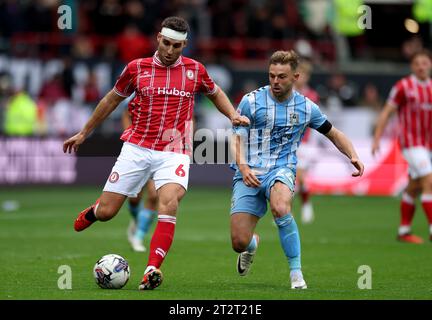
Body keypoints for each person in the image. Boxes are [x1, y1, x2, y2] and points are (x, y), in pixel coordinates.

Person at [63, 16, 250, 290]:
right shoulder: (136, 68)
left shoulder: (195, 70)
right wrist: (84, 132)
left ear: (184, 44)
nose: (171, 50)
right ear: (157, 39)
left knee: (169, 202)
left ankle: (152, 269)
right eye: (166, 43)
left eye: (177, 45)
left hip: (175, 150)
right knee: (107, 212)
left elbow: (215, 92)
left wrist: (233, 114)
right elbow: (111, 100)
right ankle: (94, 211)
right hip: (137, 147)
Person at [230, 50, 364, 289]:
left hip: (282, 169)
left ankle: (296, 273)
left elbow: (333, 133)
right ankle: (252, 244)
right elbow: (236, 138)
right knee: (238, 242)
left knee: (281, 207)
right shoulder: (251, 101)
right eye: (271, 75)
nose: (275, 81)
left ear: (295, 76)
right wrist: (243, 166)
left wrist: (352, 154)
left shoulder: (306, 107)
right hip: (249, 172)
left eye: (282, 76)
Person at [372, 50, 432, 244]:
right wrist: (377, 138)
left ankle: (404, 231)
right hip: (410, 143)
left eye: (425, 63)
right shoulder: (403, 87)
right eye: (417, 63)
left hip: (427, 145)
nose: (421, 66)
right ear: (412, 67)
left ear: (429, 65)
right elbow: (387, 112)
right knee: (429, 181)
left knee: (414, 186)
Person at [121, 108, 158, 253]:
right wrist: (131, 138)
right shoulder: (139, 89)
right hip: (139, 151)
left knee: (154, 195)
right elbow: (126, 113)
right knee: (134, 198)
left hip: (160, 151)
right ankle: (137, 219)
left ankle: (138, 236)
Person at [294, 60, 320, 223]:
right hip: (288, 142)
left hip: (305, 142)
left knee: (300, 178)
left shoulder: (311, 95)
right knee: (291, 178)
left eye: (304, 74)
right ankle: (286, 211)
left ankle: (305, 206)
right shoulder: (287, 92)